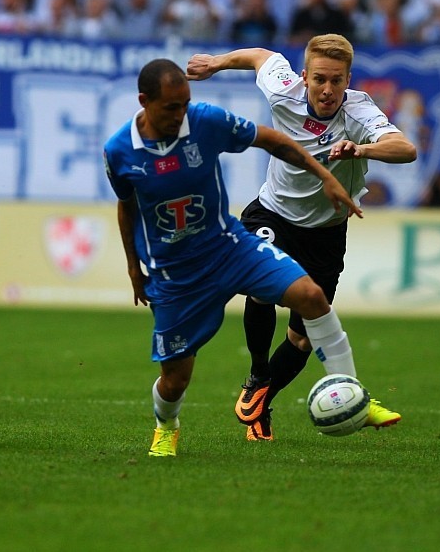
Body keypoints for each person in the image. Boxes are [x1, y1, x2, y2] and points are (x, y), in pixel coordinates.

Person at [104, 58, 366, 457]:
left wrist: (326, 177)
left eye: (185, 104)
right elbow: (126, 206)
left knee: (312, 297)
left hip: (228, 247)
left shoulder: (205, 121)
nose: (181, 115)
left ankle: (351, 392)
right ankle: (166, 424)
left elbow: (273, 140)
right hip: (176, 273)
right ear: (144, 101)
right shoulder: (119, 151)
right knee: (175, 381)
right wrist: (132, 267)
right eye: (171, 108)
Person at [186, 34, 417, 440]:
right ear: (304, 76)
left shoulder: (360, 111)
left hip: (325, 233)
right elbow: (261, 56)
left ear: (348, 80)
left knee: (303, 335)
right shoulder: (283, 89)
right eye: (320, 80)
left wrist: (361, 150)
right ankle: (258, 372)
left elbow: (405, 148)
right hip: (273, 212)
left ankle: (261, 398)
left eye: (338, 81)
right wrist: (218, 63)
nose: (328, 90)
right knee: (260, 288)